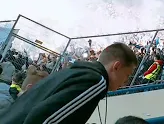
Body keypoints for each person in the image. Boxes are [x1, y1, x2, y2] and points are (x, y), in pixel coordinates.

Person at [0, 42, 138, 124]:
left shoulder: (74, 72)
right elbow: (45, 118)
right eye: (126, 75)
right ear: (117, 66)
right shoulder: (96, 81)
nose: (125, 82)